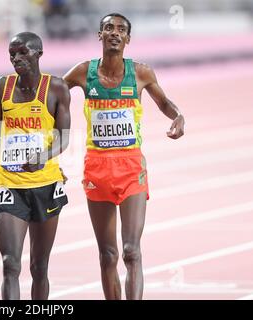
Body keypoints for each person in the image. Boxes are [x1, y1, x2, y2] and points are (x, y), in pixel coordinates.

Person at [62, 13, 185, 299]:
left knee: (131, 251)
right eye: (108, 28)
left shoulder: (141, 73)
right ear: (100, 36)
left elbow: (164, 102)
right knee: (108, 254)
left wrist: (178, 116)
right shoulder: (83, 72)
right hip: (97, 167)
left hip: (131, 167)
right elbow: (50, 92)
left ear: (128, 39)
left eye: (120, 30)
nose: (114, 33)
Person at [0, 32, 71, 300]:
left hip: (46, 185)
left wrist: (43, 157)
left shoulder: (56, 88)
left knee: (39, 266)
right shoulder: (1, 87)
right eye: (12, 54)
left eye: (23, 52)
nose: (16, 58)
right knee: (10, 264)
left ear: (39, 53)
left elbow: (64, 137)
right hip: (10, 185)